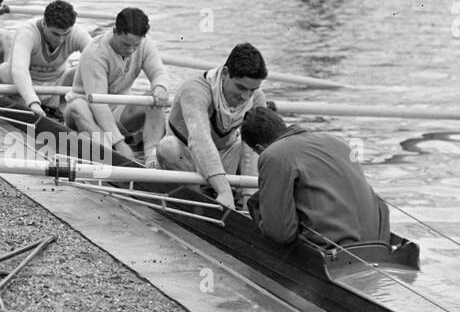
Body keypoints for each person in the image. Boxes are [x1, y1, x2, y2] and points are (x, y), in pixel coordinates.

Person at [241, 106, 390, 248]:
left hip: (335, 253)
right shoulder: (335, 140)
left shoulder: (273, 154)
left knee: (256, 204)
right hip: (379, 242)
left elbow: (280, 233)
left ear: (259, 148)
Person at [155, 42, 269, 211]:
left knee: (262, 148)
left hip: (222, 159)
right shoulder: (195, 90)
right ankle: (200, 203)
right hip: (188, 160)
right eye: (241, 87)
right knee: (168, 147)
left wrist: (249, 200)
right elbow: (200, 141)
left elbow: (252, 151)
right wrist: (223, 189)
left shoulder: (256, 98)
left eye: (252, 90)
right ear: (225, 73)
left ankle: (242, 201)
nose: (246, 96)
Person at [64, 6, 170, 166]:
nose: (131, 50)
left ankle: (151, 156)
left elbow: (158, 73)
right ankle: (109, 149)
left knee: (154, 99)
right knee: (78, 106)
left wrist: (160, 88)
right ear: (115, 31)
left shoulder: (144, 44)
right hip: (87, 110)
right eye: (126, 44)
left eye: (135, 46)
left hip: (116, 112)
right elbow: (98, 104)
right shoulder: (95, 53)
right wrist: (120, 143)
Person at [0, 0, 91, 118]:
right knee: (3, 70)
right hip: (25, 86)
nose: (60, 40)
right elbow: (19, 71)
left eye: (65, 34)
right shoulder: (28, 33)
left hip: (58, 86)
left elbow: (97, 60)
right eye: (55, 34)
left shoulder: (77, 33)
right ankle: (28, 107)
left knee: (84, 69)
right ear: (44, 23)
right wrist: (32, 102)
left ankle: (61, 107)